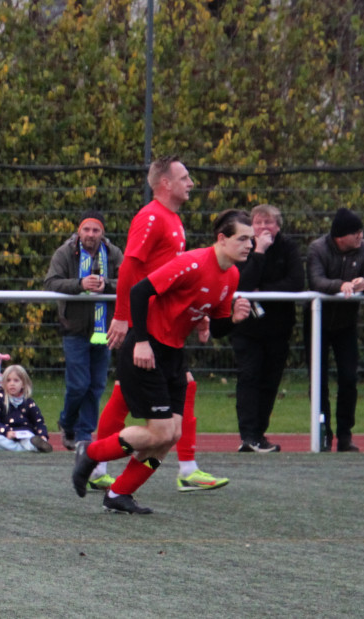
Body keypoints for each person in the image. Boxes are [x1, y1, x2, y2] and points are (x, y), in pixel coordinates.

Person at [72, 210, 253, 514]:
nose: (250, 244)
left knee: (171, 437)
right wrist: (141, 341)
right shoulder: (192, 262)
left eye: (252, 239)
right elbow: (140, 291)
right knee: (158, 433)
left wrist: (234, 319)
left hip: (173, 355)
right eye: (243, 238)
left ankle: (119, 494)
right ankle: (90, 452)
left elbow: (218, 326)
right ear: (222, 239)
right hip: (147, 349)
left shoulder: (231, 274)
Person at [92, 156, 229, 493]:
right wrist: (123, 318)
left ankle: (103, 469)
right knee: (166, 402)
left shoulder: (173, 219)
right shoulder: (152, 216)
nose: (191, 183)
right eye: (184, 177)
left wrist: (198, 314)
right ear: (165, 183)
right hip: (150, 326)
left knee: (131, 396)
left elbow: (175, 278)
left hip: (165, 323)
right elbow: (129, 269)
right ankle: (100, 461)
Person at [43, 210, 123, 450]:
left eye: (95, 230)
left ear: (102, 233)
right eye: (86, 229)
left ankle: (84, 434)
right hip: (74, 329)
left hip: (104, 329)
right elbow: (51, 283)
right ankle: (67, 423)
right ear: (79, 230)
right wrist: (80, 284)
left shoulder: (113, 253)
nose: (90, 234)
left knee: (96, 385)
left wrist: (105, 285)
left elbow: (129, 281)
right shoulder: (65, 252)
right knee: (78, 384)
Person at [306, 207, 364, 452]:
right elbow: (316, 280)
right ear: (340, 236)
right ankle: (323, 433)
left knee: (349, 378)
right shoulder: (317, 249)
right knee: (318, 381)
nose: (361, 235)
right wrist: (343, 285)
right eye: (355, 232)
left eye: (361, 231)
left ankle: (345, 435)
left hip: (347, 325)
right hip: (317, 324)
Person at [231, 204, 304, 453]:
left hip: (278, 328)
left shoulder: (289, 247)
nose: (263, 227)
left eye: (268, 222)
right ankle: (248, 436)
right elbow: (241, 283)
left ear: (278, 226)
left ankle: (259, 434)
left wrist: (264, 292)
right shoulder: (243, 246)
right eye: (258, 223)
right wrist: (259, 252)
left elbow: (295, 283)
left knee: (270, 381)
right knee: (249, 377)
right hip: (246, 328)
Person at [0, 364, 54, 452]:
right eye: (8, 380)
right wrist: (6, 431)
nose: (12, 384)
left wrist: (43, 436)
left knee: (30, 440)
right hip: (6, 435)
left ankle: (36, 445)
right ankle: (30, 449)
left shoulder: (28, 402)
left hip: (25, 435)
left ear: (23, 384)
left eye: (16, 380)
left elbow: (38, 421)